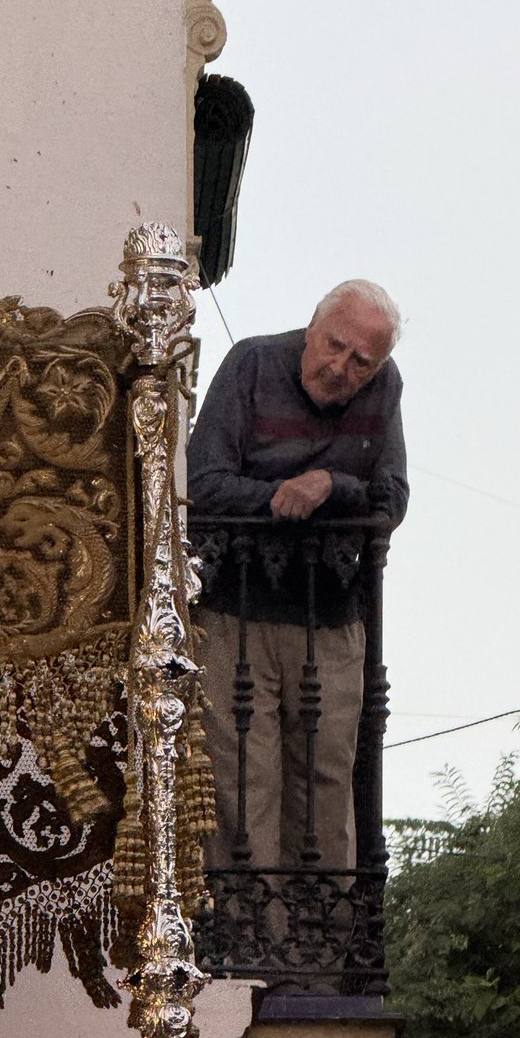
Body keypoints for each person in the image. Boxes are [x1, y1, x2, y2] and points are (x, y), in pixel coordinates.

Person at [187, 279, 408, 873]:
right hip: (235, 611)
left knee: (327, 783)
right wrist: (281, 497)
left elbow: (391, 500)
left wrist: (331, 485)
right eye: (335, 345)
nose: (341, 368)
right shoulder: (253, 364)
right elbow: (200, 486)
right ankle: (248, 926)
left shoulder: (385, 387)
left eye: (361, 361)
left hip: (331, 615)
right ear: (312, 327)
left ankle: (323, 929)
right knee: (241, 782)